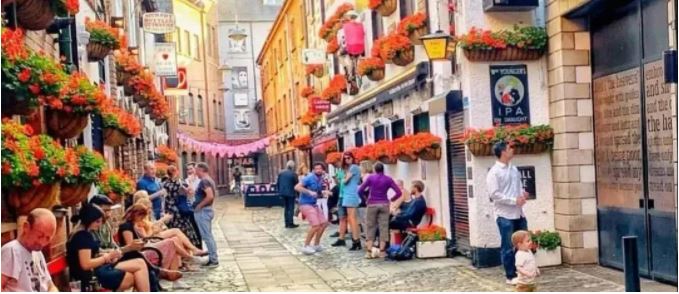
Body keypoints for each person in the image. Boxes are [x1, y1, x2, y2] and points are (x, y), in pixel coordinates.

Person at [89, 195, 172, 291]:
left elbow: (113, 245)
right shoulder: (91, 228)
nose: (108, 214)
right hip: (102, 266)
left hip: (112, 259)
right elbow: (94, 255)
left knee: (142, 264)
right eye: (105, 211)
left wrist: (119, 251)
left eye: (109, 210)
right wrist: (123, 250)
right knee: (138, 261)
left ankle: (157, 274)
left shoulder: (106, 224)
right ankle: (157, 272)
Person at [67, 204, 150, 292]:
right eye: (97, 221)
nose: (100, 225)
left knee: (139, 265)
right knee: (135, 274)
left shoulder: (82, 233)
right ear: (89, 220)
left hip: (96, 271)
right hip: (90, 277)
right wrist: (107, 257)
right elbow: (86, 264)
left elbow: (92, 254)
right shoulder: (82, 236)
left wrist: (110, 255)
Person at [486, 141, 529, 285]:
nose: (512, 150)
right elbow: (494, 194)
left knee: (522, 245)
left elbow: (517, 187)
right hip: (504, 215)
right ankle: (510, 276)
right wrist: (513, 200)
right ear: (503, 152)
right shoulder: (494, 172)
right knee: (507, 247)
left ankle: (521, 272)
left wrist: (522, 195)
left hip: (519, 214)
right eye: (510, 148)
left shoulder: (514, 169)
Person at [1, 208, 58, 292]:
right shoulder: (11, 250)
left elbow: (50, 285)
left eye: (47, 238)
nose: (42, 243)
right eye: (39, 236)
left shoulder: (37, 252)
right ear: (26, 227)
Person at [358, 162, 402, 259]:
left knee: (370, 227)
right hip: (384, 204)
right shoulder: (388, 179)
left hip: (372, 203)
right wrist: (392, 199)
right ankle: (382, 252)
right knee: (384, 227)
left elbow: (360, 190)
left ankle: (369, 252)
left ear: (374, 169)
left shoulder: (370, 178)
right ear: (383, 169)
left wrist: (365, 199)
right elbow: (398, 192)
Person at [294, 162, 331, 255]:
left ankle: (316, 244)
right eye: (316, 169)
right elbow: (297, 187)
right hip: (305, 204)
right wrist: (308, 192)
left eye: (320, 168)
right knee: (316, 225)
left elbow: (317, 192)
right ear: (313, 170)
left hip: (313, 204)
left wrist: (324, 192)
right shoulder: (309, 178)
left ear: (323, 170)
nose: (318, 170)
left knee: (324, 223)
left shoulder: (321, 179)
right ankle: (306, 246)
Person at [163, 165, 203, 248]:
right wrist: (191, 182)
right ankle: (188, 247)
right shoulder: (180, 183)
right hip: (179, 209)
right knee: (184, 228)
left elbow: (163, 196)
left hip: (169, 209)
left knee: (172, 228)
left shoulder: (164, 184)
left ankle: (176, 247)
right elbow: (191, 192)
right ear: (176, 172)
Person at [332, 152, 362, 250]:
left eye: (348, 158)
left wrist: (343, 178)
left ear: (352, 158)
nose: (347, 160)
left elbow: (345, 181)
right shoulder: (349, 169)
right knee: (351, 219)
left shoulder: (353, 167)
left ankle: (356, 241)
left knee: (352, 219)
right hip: (347, 195)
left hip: (350, 195)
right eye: (345, 159)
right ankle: (356, 241)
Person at [194, 162, 219, 267]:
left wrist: (199, 206)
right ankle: (212, 258)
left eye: (196, 170)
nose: (195, 172)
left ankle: (213, 259)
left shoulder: (204, 181)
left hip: (203, 211)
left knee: (207, 236)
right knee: (208, 235)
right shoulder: (209, 180)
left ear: (201, 170)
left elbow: (210, 196)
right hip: (206, 210)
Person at [277, 160, 299, 228]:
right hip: (291, 193)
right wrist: (298, 195)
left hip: (283, 193)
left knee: (286, 208)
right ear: (293, 166)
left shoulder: (281, 173)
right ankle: (290, 223)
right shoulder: (293, 174)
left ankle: (286, 223)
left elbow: (278, 183)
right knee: (291, 208)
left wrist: (279, 192)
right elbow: (297, 184)